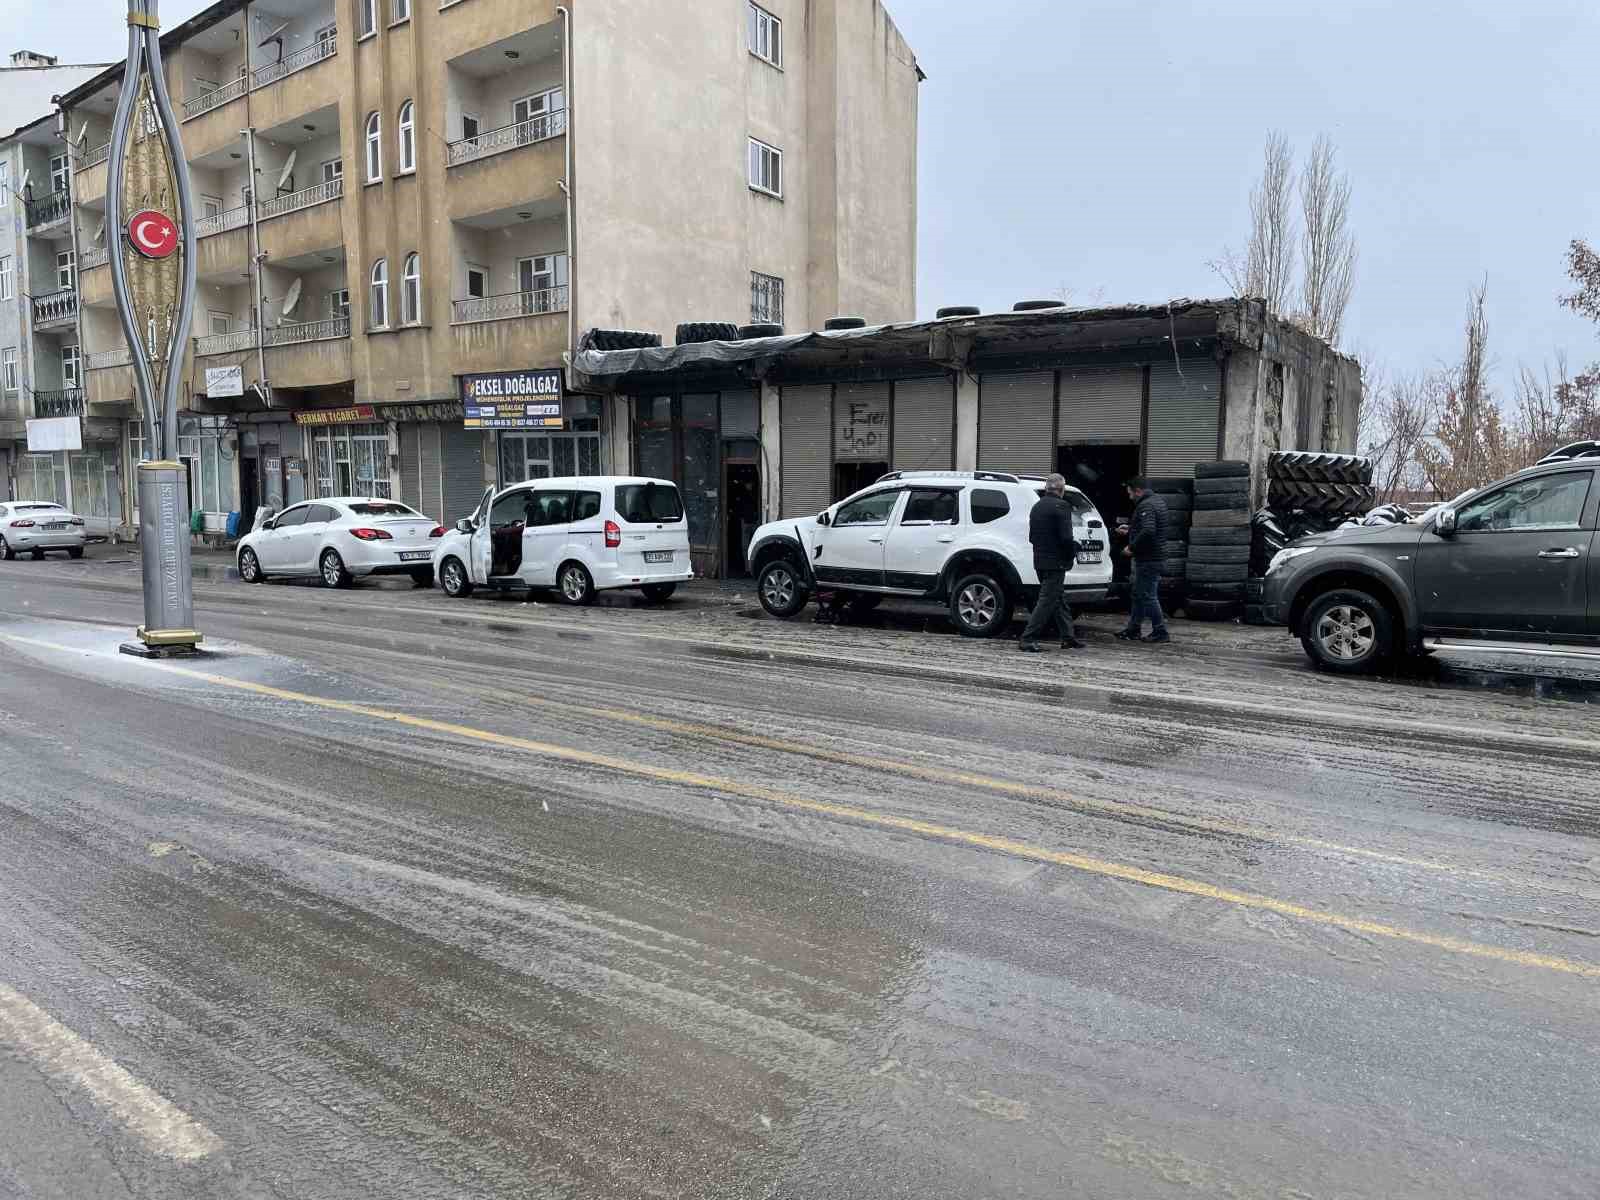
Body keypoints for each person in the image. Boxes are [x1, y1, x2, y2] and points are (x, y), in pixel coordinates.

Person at [1019, 474, 1085, 652]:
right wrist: (1072, 551)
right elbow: (1065, 537)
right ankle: (1028, 638)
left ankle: (1068, 637)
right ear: (1061, 490)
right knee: (1047, 601)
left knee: (1058, 599)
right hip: (1055, 562)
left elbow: (1033, 537)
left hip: (1040, 561)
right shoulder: (1062, 506)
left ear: (1047, 488)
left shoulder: (1037, 506)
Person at [1116, 478, 1171, 644]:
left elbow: (1148, 531)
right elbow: (1150, 528)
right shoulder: (1157, 501)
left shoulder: (1146, 505)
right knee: (1139, 594)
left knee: (1147, 595)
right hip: (1153, 557)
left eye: (1130, 493)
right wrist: (1131, 529)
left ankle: (1160, 631)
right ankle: (1133, 629)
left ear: (1138, 490)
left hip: (1148, 559)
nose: (1130, 497)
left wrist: (1131, 547)